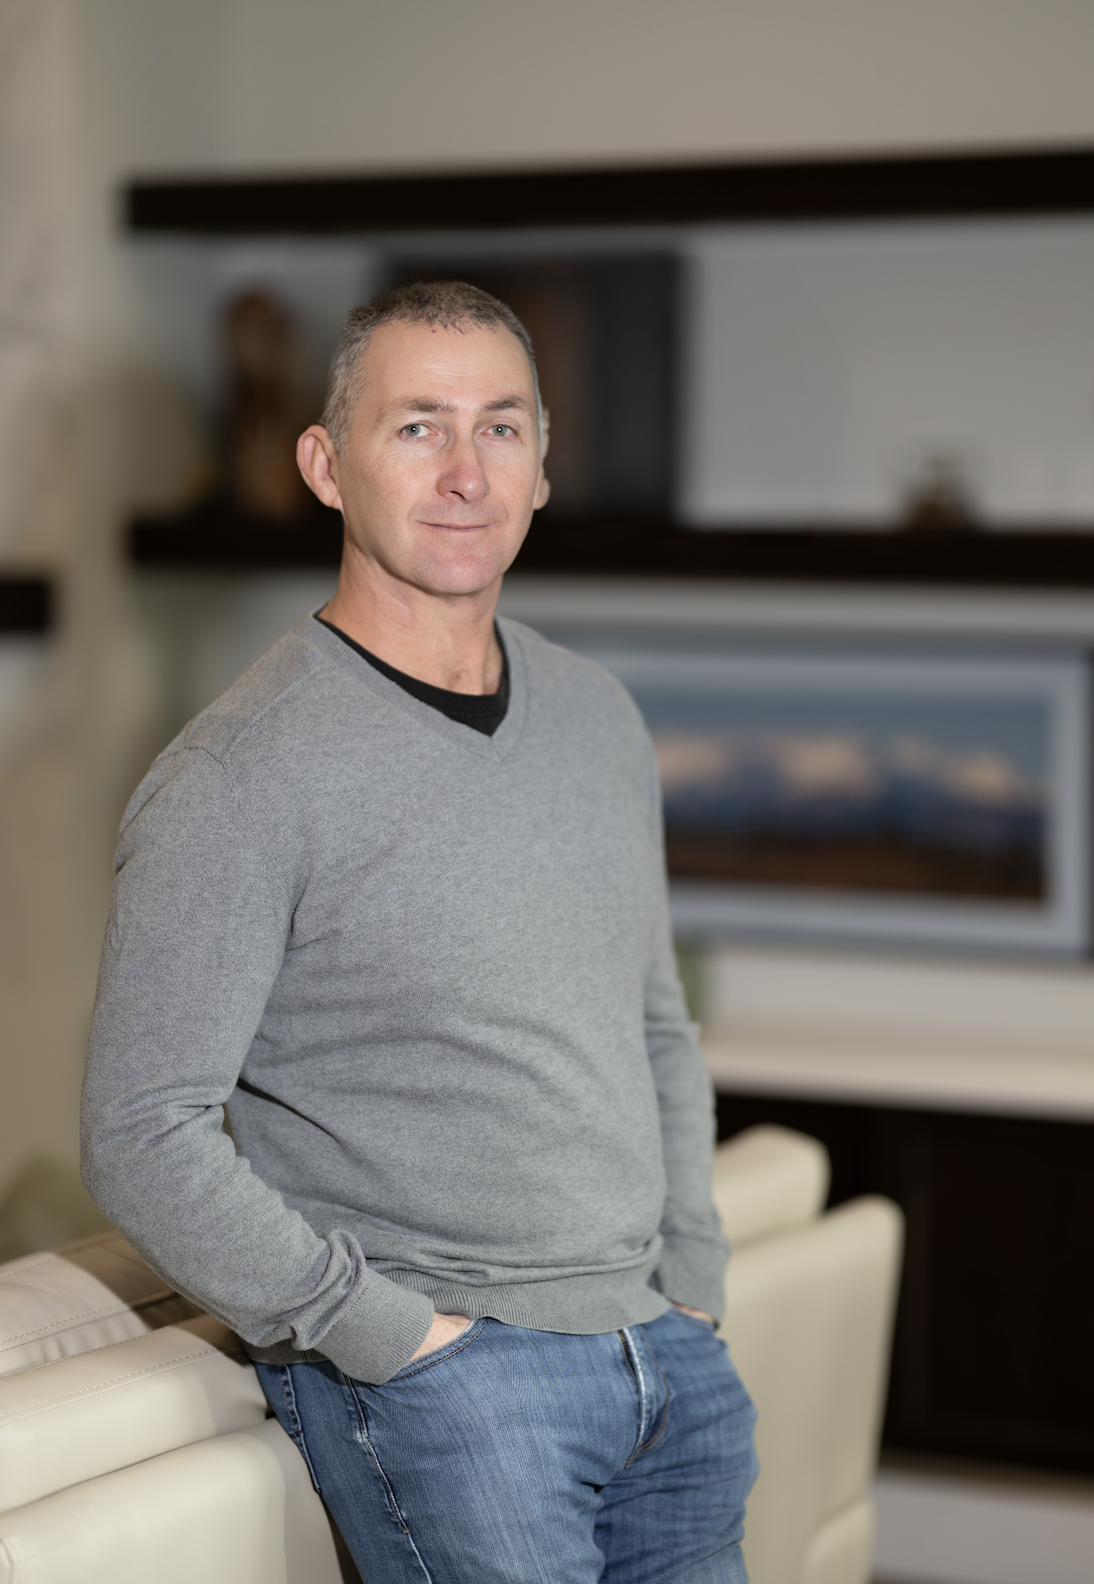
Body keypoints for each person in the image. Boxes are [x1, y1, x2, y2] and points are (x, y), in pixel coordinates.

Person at [81, 280, 757, 1583]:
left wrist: (692, 1283)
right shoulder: (239, 771)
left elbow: (654, 1025)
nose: (464, 473)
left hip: (663, 1360)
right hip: (456, 1390)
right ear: (324, 466)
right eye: (417, 428)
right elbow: (141, 1128)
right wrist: (388, 1334)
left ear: (543, 467)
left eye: (500, 428)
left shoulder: (595, 714)